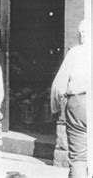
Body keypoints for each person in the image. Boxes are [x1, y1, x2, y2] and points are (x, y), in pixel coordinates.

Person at [51, 19, 90, 178]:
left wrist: (56, 109)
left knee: (78, 158)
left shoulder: (76, 52)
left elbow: (58, 86)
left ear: (82, 35)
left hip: (79, 104)